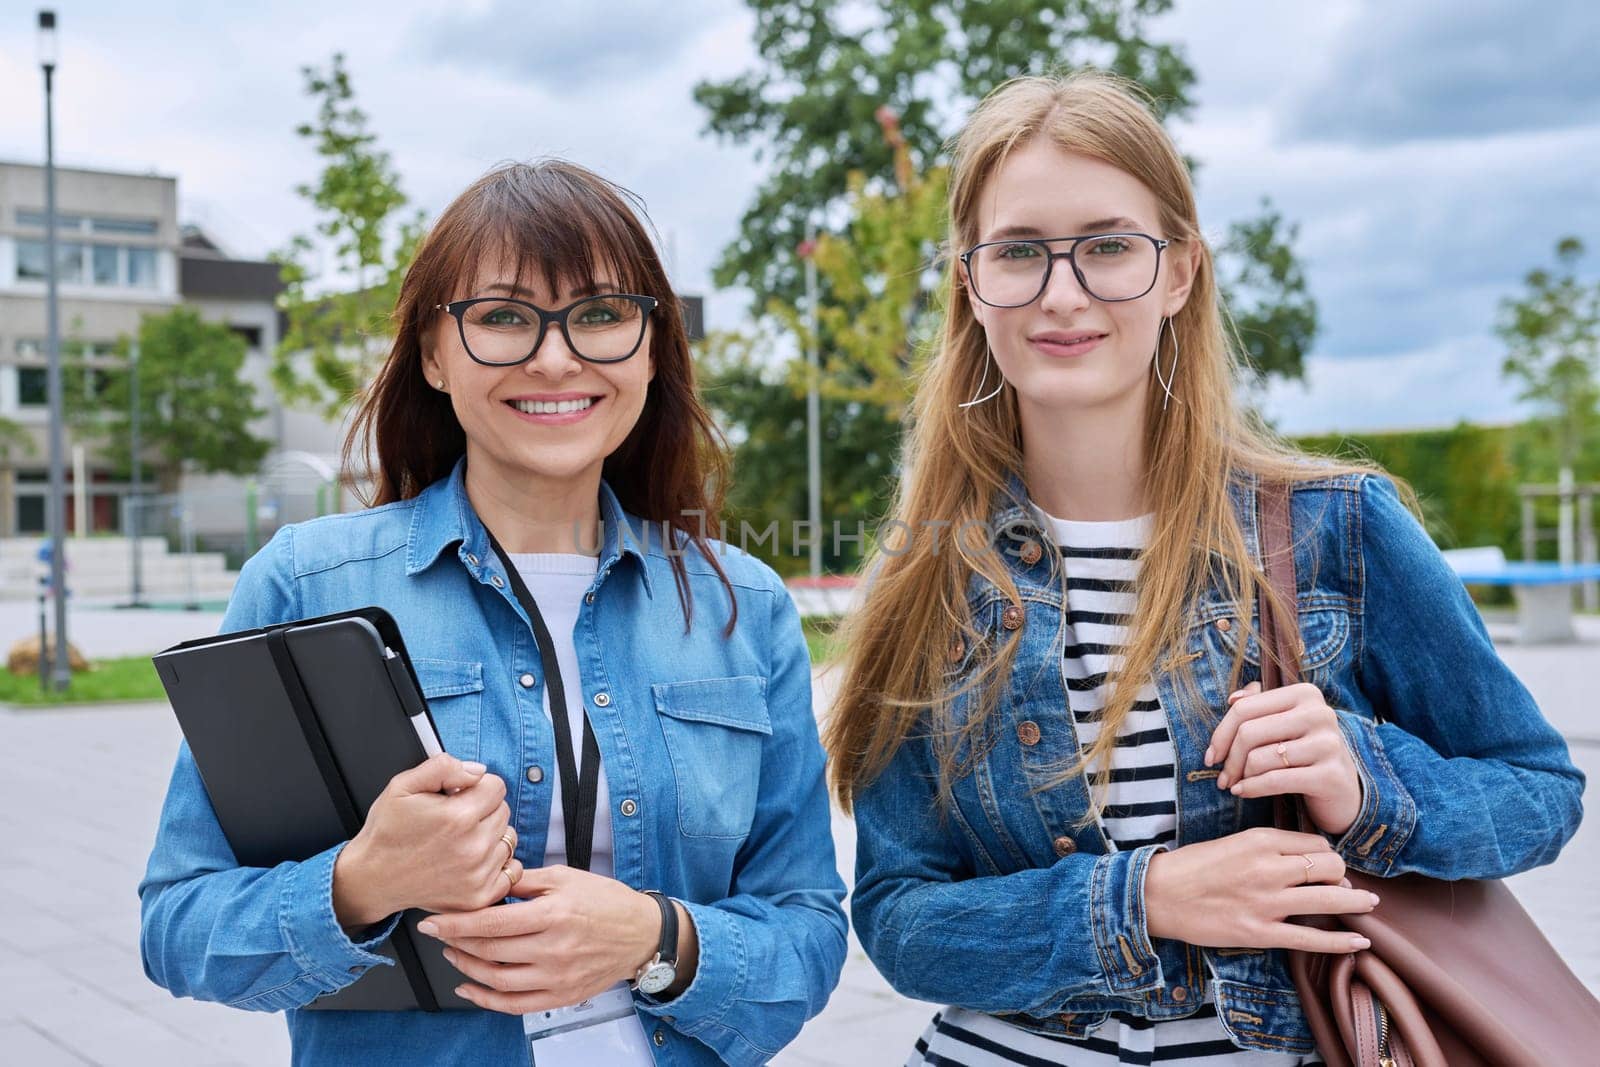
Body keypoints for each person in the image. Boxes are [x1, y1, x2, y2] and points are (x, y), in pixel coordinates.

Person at [825, 71, 1584, 1065]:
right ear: (970, 281)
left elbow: (1536, 790)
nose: (1062, 292)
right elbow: (899, 917)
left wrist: (1367, 781)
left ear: (1179, 270)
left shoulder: (1335, 529)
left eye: (1106, 247)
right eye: (1019, 252)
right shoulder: (925, 576)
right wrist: (1145, 897)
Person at [140, 160, 846, 1066]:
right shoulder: (308, 583)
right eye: (505, 317)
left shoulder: (740, 606)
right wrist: (360, 882)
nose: (556, 357)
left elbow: (808, 933)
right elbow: (179, 923)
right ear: (434, 354)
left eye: (599, 314)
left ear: (651, 346)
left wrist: (656, 937)